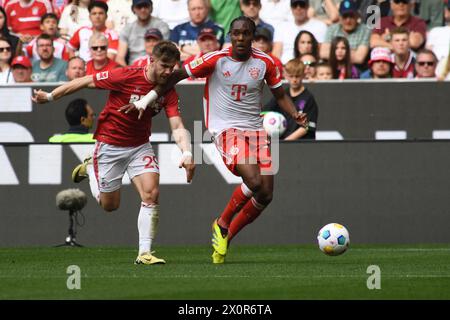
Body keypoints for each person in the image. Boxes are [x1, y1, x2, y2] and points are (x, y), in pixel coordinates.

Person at [121, 17, 307, 264]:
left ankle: (225, 237)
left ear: (252, 36)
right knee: (252, 179)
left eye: (246, 34)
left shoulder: (266, 63)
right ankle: (221, 222)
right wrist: (145, 100)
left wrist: (295, 113)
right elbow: (176, 76)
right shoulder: (215, 58)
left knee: (266, 194)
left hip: (256, 131)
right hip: (225, 129)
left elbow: (280, 94)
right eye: (236, 33)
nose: (240, 38)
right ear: (230, 35)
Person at [32, 40, 195, 265]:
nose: (168, 72)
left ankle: (144, 253)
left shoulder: (168, 90)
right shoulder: (126, 76)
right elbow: (85, 80)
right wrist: (51, 97)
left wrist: (186, 153)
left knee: (152, 193)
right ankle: (90, 167)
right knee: (110, 205)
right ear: (151, 61)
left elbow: (177, 126)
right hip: (110, 146)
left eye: (172, 67)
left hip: (139, 146)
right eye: (164, 65)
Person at [264, 58, 318, 139]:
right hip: (282, 141)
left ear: (304, 74)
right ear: (285, 75)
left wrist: (287, 141)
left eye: (297, 76)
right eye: (291, 76)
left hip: (302, 144)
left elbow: (307, 127)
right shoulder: (281, 96)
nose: (294, 80)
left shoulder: (308, 98)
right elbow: (264, 111)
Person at [115, 0, 170, 66]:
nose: (143, 10)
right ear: (133, 9)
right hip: (133, 68)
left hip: (155, 65)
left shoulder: (162, 26)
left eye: (146, 6)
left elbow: (165, 52)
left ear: (151, 8)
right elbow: (120, 58)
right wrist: (128, 73)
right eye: (139, 7)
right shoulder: (127, 29)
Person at [320, 0, 371, 65]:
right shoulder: (332, 29)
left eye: (351, 16)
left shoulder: (365, 30)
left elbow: (359, 58)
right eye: (345, 16)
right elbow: (323, 53)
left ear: (357, 16)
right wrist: (352, 52)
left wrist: (334, 51)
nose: (348, 20)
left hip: (355, 69)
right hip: (334, 67)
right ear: (340, 17)